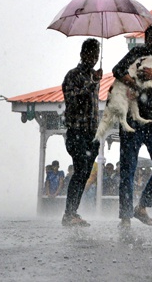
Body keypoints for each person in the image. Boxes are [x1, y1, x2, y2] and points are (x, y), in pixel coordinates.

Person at [113, 25, 152, 228]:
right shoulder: (137, 53)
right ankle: (125, 217)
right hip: (133, 119)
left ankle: (142, 206)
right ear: (146, 38)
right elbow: (117, 70)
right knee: (128, 168)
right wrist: (134, 84)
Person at [61, 38, 102, 226]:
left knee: (85, 173)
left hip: (92, 134)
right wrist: (91, 84)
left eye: (96, 54)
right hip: (76, 131)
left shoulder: (95, 77)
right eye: (90, 53)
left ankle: (72, 212)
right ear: (82, 54)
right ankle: (69, 213)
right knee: (79, 171)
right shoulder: (73, 76)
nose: (93, 58)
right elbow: (72, 101)